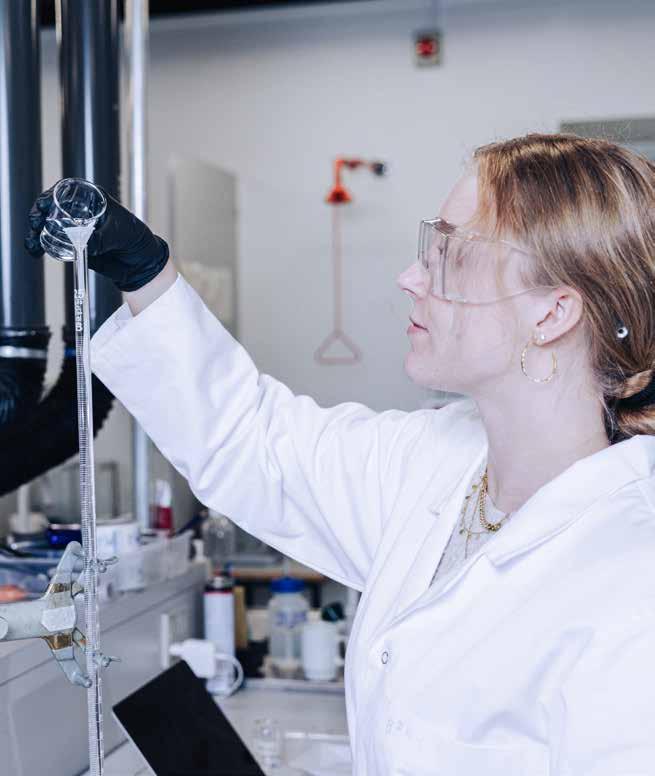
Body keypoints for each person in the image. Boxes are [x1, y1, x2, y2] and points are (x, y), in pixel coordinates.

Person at [26, 133, 655, 775]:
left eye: (452, 255)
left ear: (553, 314)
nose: (410, 278)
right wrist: (144, 271)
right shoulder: (435, 462)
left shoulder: (631, 585)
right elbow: (251, 439)